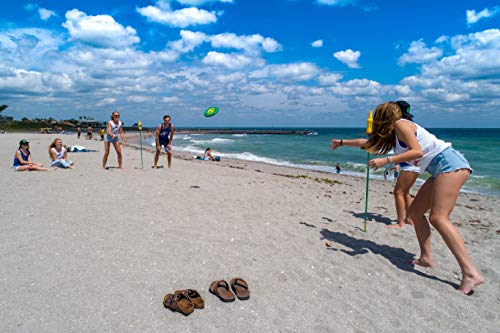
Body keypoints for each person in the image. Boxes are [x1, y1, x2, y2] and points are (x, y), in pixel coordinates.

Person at [331, 101, 483, 294]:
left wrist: (387, 160)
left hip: (450, 165)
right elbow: (369, 145)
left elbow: (417, 151)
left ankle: (471, 273)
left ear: (383, 116)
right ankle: (426, 258)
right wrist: (342, 143)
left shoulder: (401, 124)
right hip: (439, 169)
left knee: (438, 217)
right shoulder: (394, 133)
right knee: (415, 213)